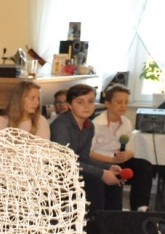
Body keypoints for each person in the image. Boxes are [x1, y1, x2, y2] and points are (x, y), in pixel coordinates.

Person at [50, 84, 121, 212]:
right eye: (80, 102)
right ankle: (93, 221)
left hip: (74, 168)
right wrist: (101, 173)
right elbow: (64, 162)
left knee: (115, 180)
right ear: (70, 105)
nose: (87, 106)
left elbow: (84, 158)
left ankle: (112, 222)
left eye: (90, 101)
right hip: (57, 172)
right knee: (96, 181)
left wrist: (107, 168)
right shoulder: (61, 126)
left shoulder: (89, 126)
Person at [90, 84, 153, 211]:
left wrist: (127, 154)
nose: (123, 106)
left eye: (126, 102)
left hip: (119, 161)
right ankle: (113, 210)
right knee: (114, 201)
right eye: (119, 102)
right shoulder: (96, 124)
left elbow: (130, 149)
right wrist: (111, 160)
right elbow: (89, 153)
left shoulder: (126, 122)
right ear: (107, 103)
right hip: (102, 163)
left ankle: (140, 207)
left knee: (144, 166)